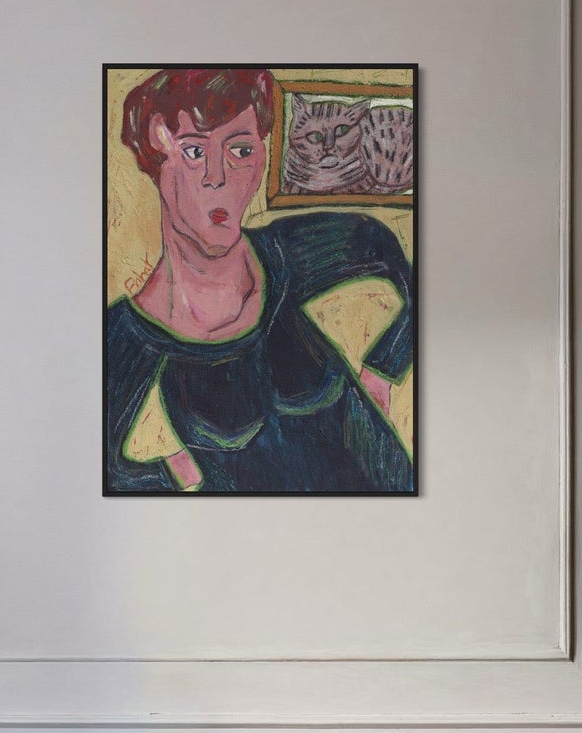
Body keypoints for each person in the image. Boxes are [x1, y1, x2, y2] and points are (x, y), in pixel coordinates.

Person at [105, 67, 414, 494]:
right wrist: (174, 473)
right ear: (156, 158)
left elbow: (388, 252)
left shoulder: (287, 253)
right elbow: (102, 473)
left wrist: (385, 368)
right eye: (195, 152)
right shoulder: (125, 337)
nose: (220, 176)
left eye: (241, 150)